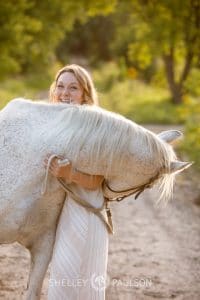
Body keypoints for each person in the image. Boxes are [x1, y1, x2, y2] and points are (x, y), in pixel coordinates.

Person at [45, 64, 109, 300]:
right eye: (60, 86)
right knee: (62, 283)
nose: (65, 93)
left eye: (73, 88)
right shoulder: (60, 124)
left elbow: (97, 180)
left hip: (88, 212)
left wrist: (69, 173)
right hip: (66, 213)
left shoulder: (95, 127)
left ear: (85, 94)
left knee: (81, 285)